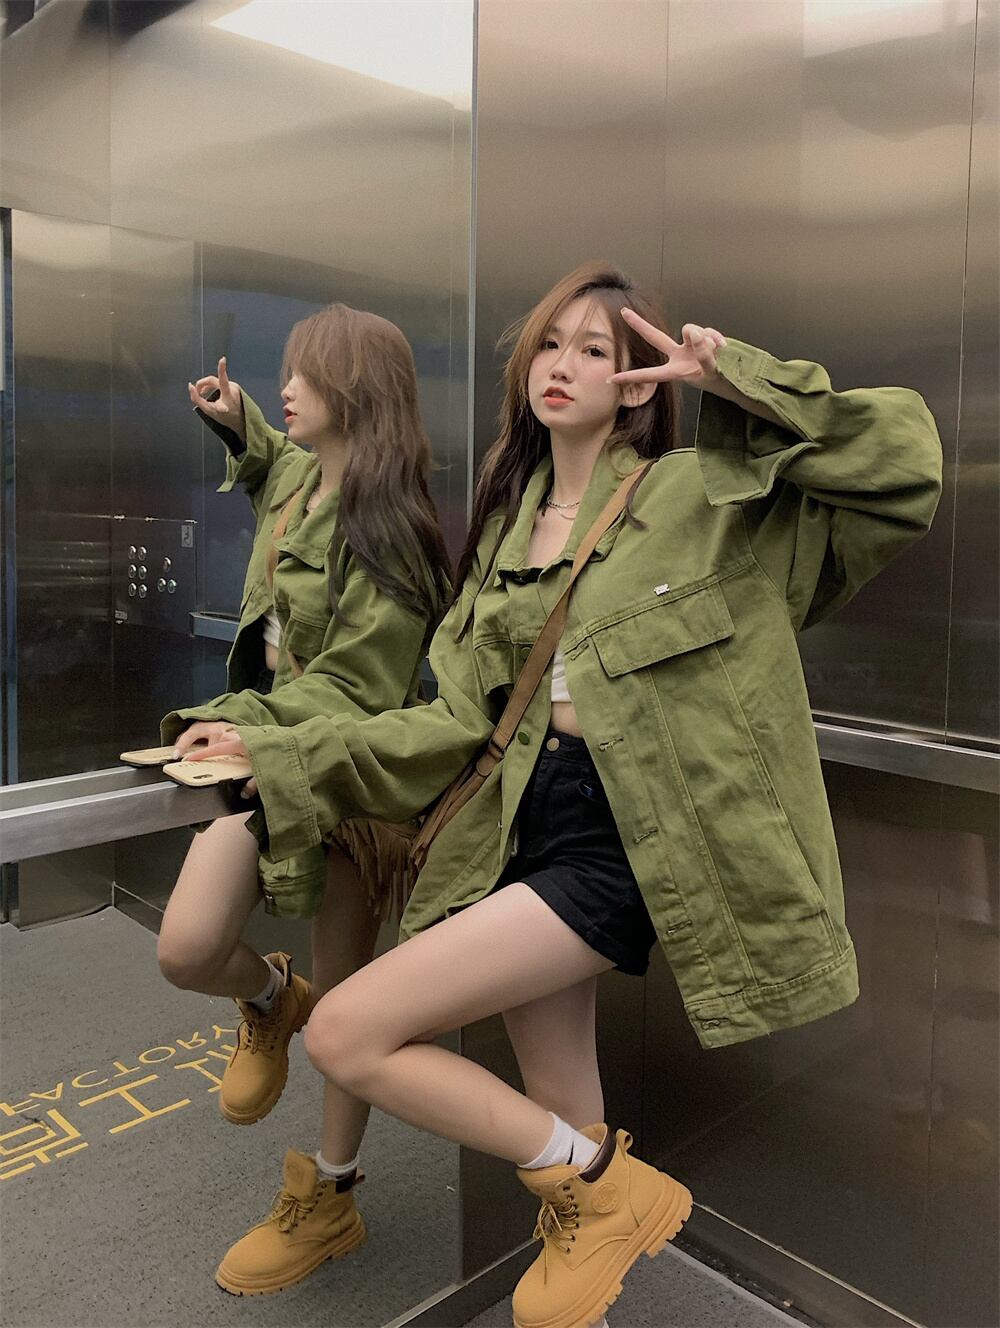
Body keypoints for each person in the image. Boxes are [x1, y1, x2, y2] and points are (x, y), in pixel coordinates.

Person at [181, 261, 943, 1328]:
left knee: (346, 1030)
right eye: (550, 342)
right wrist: (278, 749)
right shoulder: (506, 531)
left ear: (634, 381)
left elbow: (902, 472)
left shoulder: (698, 496)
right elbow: (452, 722)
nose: (564, 364)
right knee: (562, 1144)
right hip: (516, 825)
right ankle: (592, 1201)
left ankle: (609, 1186)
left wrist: (740, 380)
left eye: (595, 348)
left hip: (624, 835)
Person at [157, 303, 451, 1296]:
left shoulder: (395, 529)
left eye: (307, 374)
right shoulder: (300, 476)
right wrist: (237, 418)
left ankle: (331, 1192)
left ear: (356, 393)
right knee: (188, 946)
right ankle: (269, 998)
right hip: (268, 752)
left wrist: (250, 727)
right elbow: (274, 463)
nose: (289, 387)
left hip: (351, 781)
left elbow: (363, 688)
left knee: (347, 1004)